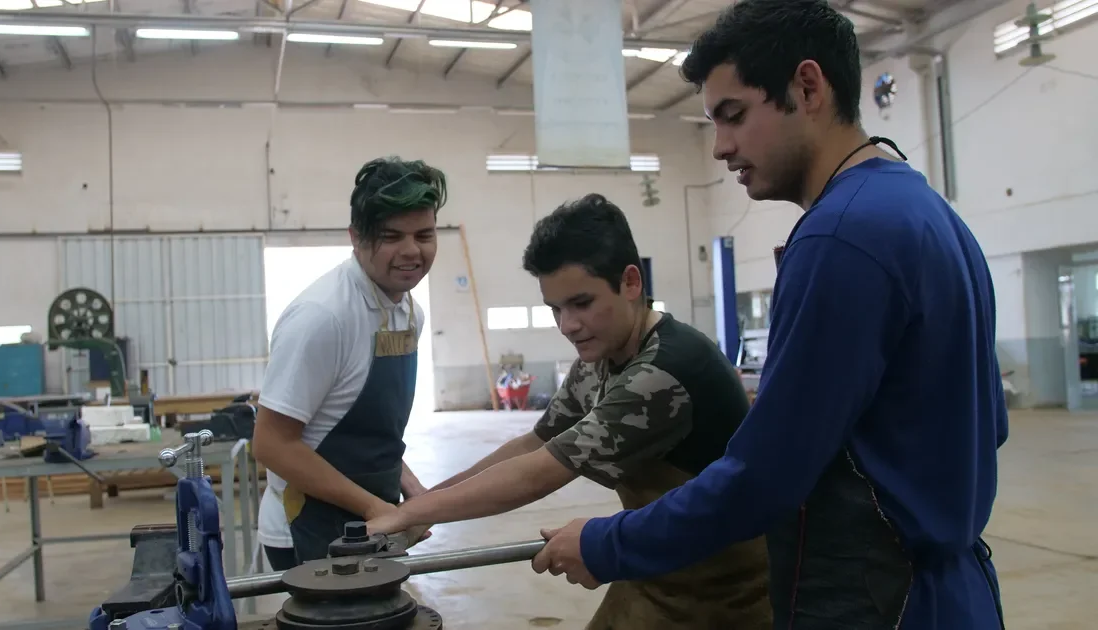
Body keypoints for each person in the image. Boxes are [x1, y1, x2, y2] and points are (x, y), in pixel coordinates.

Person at [530, 1, 1009, 629]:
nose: (723, 148)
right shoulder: (933, 217)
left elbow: (764, 479)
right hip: (956, 596)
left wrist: (605, 542)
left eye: (734, 117)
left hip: (879, 601)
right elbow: (987, 426)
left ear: (807, 87)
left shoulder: (837, 237)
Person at [367, 194, 772, 629]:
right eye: (556, 309)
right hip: (654, 571)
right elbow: (535, 443)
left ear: (631, 282)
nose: (567, 326)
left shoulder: (663, 372)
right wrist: (424, 504)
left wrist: (410, 514)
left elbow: (541, 471)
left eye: (582, 303)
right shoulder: (598, 359)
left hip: (723, 593)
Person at [251, 156, 445, 571]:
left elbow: (367, 434)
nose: (412, 251)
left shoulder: (409, 312)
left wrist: (411, 492)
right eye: (391, 236)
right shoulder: (324, 316)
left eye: (424, 234)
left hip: (370, 526)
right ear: (356, 238)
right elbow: (271, 444)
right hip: (306, 526)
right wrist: (379, 509)